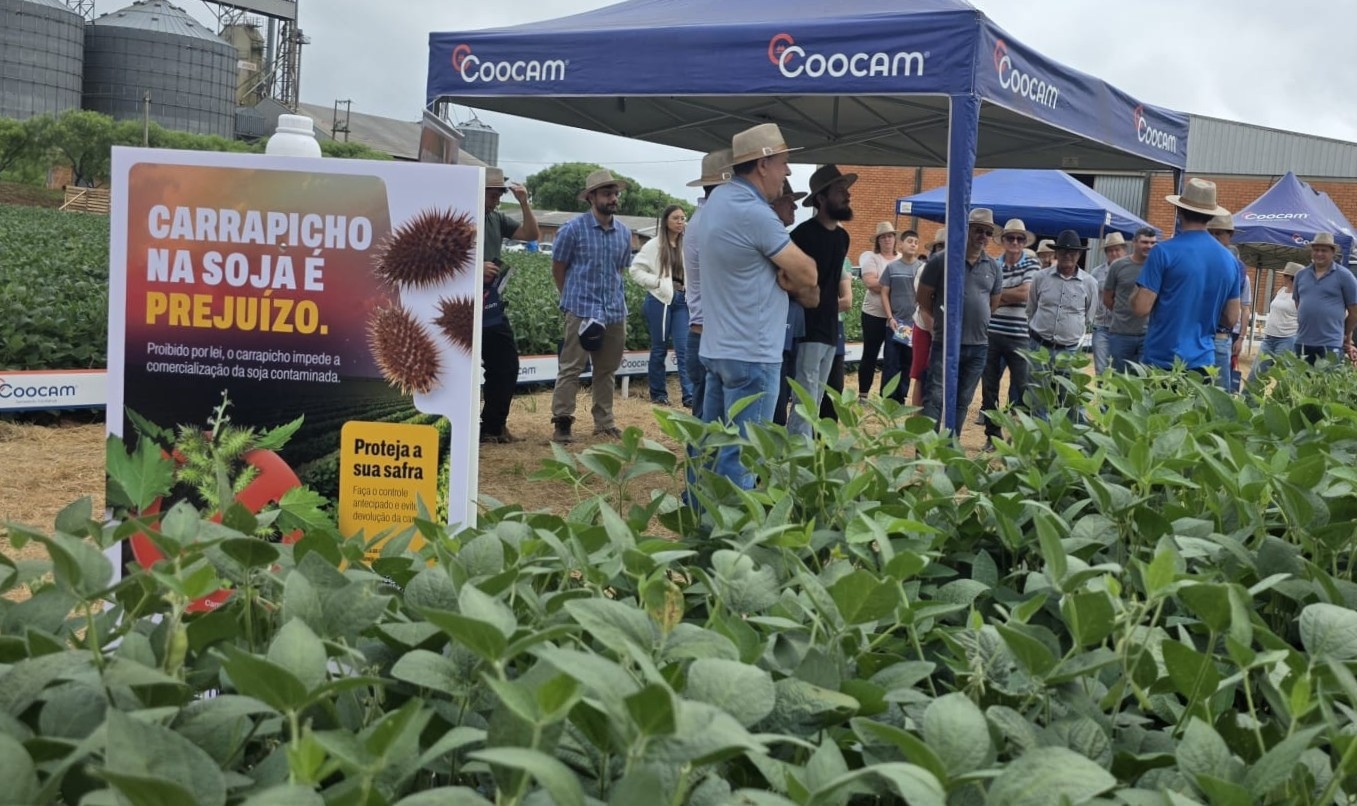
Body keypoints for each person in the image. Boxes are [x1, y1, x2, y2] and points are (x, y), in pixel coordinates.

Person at [698, 123, 817, 488]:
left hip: (719, 347)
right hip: (753, 350)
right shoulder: (755, 212)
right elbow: (809, 274)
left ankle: (702, 528)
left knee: (711, 449)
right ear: (763, 164)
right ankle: (735, 540)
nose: (788, 172)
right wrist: (789, 277)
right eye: (784, 163)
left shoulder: (718, 200)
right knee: (743, 456)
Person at [549, 169, 632, 443]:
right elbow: (558, 267)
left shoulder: (624, 233)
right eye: (607, 193)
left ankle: (604, 423)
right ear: (591, 197)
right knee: (571, 367)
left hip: (614, 312)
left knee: (607, 370)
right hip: (581, 309)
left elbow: (619, 270)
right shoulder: (572, 230)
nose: (613, 198)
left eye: (615, 193)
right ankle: (562, 422)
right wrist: (570, 299)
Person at [1131, 178, 1241, 373]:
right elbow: (1232, 318)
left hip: (1161, 360)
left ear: (1179, 210)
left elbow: (1140, 308)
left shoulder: (1163, 252)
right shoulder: (1229, 260)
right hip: (1203, 361)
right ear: (1210, 215)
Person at [785, 164, 855, 439]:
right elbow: (784, 279)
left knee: (818, 397)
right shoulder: (801, 235)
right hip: (806, 329)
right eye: (840, 191)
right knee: (805, 399)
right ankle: (797, 458)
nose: (847, 196)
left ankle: (806, 454)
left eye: (846, 190)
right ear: (821, 199)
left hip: (830, 328)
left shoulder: (843, 237)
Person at [918, 208, 1003, 432]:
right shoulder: (941, 261)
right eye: (978, 230)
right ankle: (927, 447)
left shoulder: (994, 267)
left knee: (963, 400)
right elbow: (923, 297)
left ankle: (950, 445)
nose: (983, 236)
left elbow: (993, 303)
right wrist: (939, 323)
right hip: (945, 342)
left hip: (978, 346)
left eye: (987, 232)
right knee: (935, 397)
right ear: (966, 230)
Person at [479, 167, 539, 444]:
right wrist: (475, 268)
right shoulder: (457, 215)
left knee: (505, 363)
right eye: (493, 194)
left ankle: (493, 424)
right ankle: (484, 426)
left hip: (489, 303)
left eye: (500, 194)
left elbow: (530, 234)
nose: (497, 199)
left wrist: (524, 203)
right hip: (463, 306)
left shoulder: (495, 218)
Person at [1026, 230, 1101, 427]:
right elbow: (1031, 309)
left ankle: (1072, 443)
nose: (1068, 255)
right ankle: (1040, 441)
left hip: (1069, 350)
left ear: (1079, 254)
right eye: (1064, 251)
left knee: (1070, 398)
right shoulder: (1040, 278)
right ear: (1056, 253)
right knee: (1038, 397)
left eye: (1073, 252)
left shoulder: (1089, 283)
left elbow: (1089, 315)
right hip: (1039, 346)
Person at [683, 148, 733, 418]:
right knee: (709, 425)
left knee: (706, 421)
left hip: (703, 332)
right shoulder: (711, 223)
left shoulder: (702, 220)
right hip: (708, 335)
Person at [979, 218, 1037, 440]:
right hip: (992, 334)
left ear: (1024, 242)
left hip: (1021, 335)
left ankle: (1020, 438)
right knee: (989, 388)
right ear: (1002, 240)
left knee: (1023, 388)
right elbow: (986, 295)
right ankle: (992, 436)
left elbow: (1026, 293)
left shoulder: (1033, 264)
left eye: (1019, 238)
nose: (1015, 241)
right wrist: (1008, 295)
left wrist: (999, 297)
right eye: (1011, 237)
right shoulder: (993, 264)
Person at [630, 204, 693, 407]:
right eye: (676, 218)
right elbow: (635, 270)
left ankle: (689, 395)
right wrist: (656, 282)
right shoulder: (653, 245)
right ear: (666, 220)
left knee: (684, 348)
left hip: (682, 300)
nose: (680, 222)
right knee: (660, 348)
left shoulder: (688, 244)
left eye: (683, 218)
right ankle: (658, 394)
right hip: (660, 300)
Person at [772, 179, 809, 427]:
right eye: (790, 203)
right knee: (775, 388)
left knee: (784, 384)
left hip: (790, 322)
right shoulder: (774, 238)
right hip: (776, 327)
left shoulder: (782, 236)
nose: (794, 209)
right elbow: (805, 277)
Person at [1292, 232, 1357, 364]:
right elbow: (1298, 304)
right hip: (1302, 341)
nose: (1319, 254)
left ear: (1333, 252)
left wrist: (1345, 333)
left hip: (1330, 343)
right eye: (1316, 250)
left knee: (1326, 383)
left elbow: (1354, 312)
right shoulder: (1301, 275)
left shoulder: (1345, 276)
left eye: (1324, 250)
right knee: (1299, 383)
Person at [1206, 215, 1253, 391]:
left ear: (1229, 235)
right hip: (1195, 335)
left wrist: (1240, 337)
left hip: (1220, 333)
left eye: (1219, 233)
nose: (1215, 237)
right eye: (1211, 233)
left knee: (1219, 391)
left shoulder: (1237, 266)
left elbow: (1237, 308)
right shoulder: (1200, 257)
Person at [858, 222, 902, 399]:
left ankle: (889, 395)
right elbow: (870, 283)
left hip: (898, 315)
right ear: (878, 241)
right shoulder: (872, 259)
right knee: (870, 353)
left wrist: (886, 284)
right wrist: (895, 284)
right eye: (883, 237)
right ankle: (863, 393)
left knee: (895, 357)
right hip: (874, 314)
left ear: (894, 238)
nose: (887, 239)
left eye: (890, 236)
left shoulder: (901, 258)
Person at [1102, 227, 1157, 371]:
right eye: (1145, 242)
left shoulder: (1158, 266)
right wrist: (1122, 313)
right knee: (1118, 379)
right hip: (1121, 334)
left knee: (1145, 380)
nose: (1149, 246)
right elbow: (1107, 297)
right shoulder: (1118, 266)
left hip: (1148, 334)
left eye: (1152, 243)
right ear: (1134, 242)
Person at [879, 232, 923, 402]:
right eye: (910, 241)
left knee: (908, 362)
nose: (913, 244)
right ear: (901, 245)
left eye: (916, 242)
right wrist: (890, 317)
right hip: (896, 323)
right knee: (891, 361)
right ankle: (887, 397)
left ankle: (901, 396)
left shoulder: (921, 268)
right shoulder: (892, 268)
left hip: (915, 324)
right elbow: (884, 293)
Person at [1245, 261, 1301, 385]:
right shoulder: (1281, 291)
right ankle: (1248, 400)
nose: (1283, 277)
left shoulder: (1300, 296)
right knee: (1257, 371)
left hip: (1287, 339)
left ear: (1292, 278)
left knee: (1284, 375)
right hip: (1269, 338)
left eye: (1285, 275)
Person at [908, 229, 946, 408]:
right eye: (941, 246)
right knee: (922, 375)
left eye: (947, 246)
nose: (944, 250)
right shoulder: (925, 268)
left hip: (947, 331)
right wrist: (938, 335)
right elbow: (923, 305)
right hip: (925, 328)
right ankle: (917, 419)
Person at [1088, 232, 1126, 375]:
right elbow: (1091, 296)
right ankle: (1103, 396)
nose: (1114, 253)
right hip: (1102, 326)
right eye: (1110, 250)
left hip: (1123, 328)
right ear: (1106, 253)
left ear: (1124, 250)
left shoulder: (1131, 270)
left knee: (1120, 369)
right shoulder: (1096, 273)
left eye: (1117, 249)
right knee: (1101, 368)